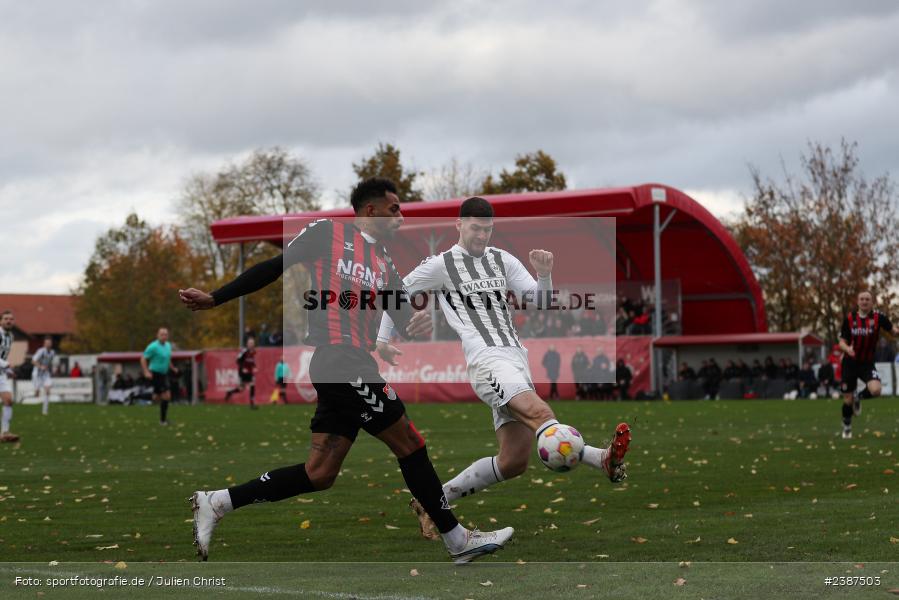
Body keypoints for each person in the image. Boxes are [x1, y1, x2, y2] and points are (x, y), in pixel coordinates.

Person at [178, 177, 513, 563]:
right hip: (339, 360)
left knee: (320, 472)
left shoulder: (384, 260)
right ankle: (457, 540)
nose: (400, 217)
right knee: (409, 442)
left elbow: (401, 312)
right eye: (394, 209)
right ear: (370, 210)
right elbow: (274, 266)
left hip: (352, 362)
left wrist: (414, 323)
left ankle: (217, 502)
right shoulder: (327, 233)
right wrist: (216, 298)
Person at [376, 196, 630, 540]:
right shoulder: (441, 264)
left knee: (513, 462)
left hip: (515, 358)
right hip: (487, 360)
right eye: (476, 228)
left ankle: (432, 501)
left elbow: (543, 302)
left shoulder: (502, 259)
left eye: (488, 229)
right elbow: (394, 294)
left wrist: (545, 274)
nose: (482, 236)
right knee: (541, 414)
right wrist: (382, 340)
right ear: (460, 225)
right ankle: (600, 459)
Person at [838, 291, 894, 439]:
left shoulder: (878, 317)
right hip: (850, 363)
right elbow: (841, 342)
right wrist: (847, 349)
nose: (864, 302)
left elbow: (893, 331)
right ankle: (847, 425)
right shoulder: (850, 318)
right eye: (862, 299)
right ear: (858, 302)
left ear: (872, 302)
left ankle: (859, 397)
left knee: (876, 390)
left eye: (867, 299)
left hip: (867, 363)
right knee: (847, 400)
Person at [140, 327, 178, 425]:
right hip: (155, 373)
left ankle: (136, 397)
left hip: (164, 373)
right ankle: (163, 421)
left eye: (166, 334)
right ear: (157, 335)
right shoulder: (153, 347)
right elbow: (143, 359)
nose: (164, 336)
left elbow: (167, 358)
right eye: (162, 334)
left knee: (156, 397)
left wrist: (173, 368)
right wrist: (146, 372)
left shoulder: (168, 346)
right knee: (166, 396)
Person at [0, 310, 19, 442]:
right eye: (6, 318)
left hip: (1, 373)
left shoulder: (10, 336)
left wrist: (8, 371)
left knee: (8, 400)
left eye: (11, 319)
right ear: (1, 321)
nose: (9, 321)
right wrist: (7, 365)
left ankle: (5, 433)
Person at [224, 336, 258, 409]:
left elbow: (252, 361)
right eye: (250, 343)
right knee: (241, 389)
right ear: (247, 344)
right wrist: (243, 368)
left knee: (252, 384)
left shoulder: (253, 352)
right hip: (242, 372)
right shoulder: (244, 351)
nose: (251, 344)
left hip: (249, 372)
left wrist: (255, 367)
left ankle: (252, 403)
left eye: (252, 343)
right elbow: (238, 360)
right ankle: (229, 392)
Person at [31, 336, 55, 416]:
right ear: (44, 344)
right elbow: (33, 361)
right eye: (47, 343)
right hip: (37, 374)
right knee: (36, 394)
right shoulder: (41, 351)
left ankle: (45, 411)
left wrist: (49, 369)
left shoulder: (52, 352)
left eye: (50, 343)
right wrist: (41, 366)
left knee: (47, 391)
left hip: (45, 374)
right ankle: (26, 396)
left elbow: (49, 362)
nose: (49, 344)